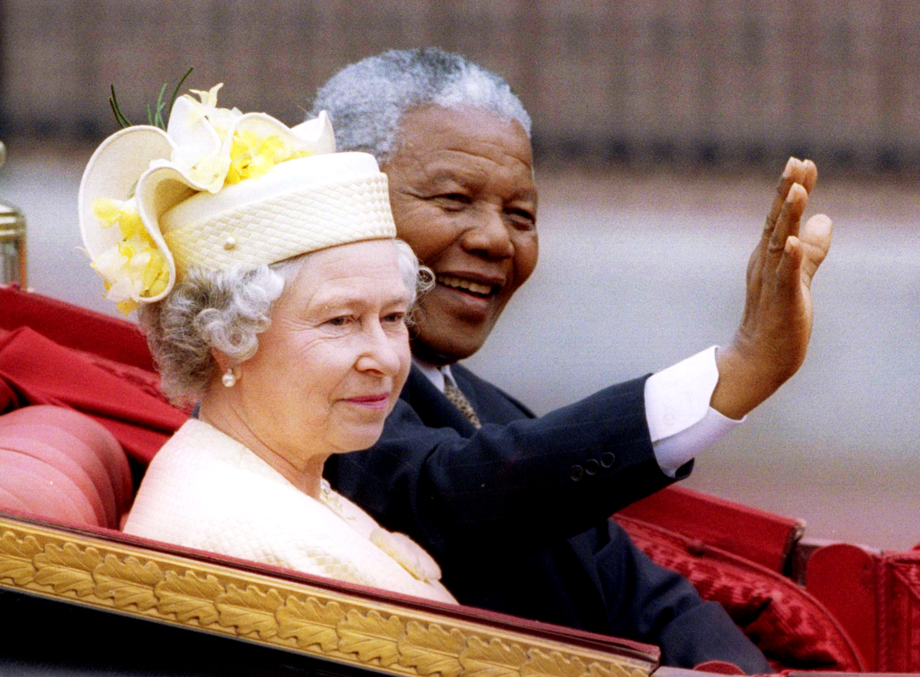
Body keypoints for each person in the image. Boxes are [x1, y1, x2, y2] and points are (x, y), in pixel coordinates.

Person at [312, 48, 833, 671]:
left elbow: (652, 602)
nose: (495, 239)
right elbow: (454, 492)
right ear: (341, 197)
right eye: (454, 200)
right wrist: (737, 373)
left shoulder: (489, 409)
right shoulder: (298, 384)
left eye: (521, 215)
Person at [78, 83, 453, 603]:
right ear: (225, 338)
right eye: (340, 321)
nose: (387, 358)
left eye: (392, 317)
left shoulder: (269, 474)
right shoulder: (261, 543)